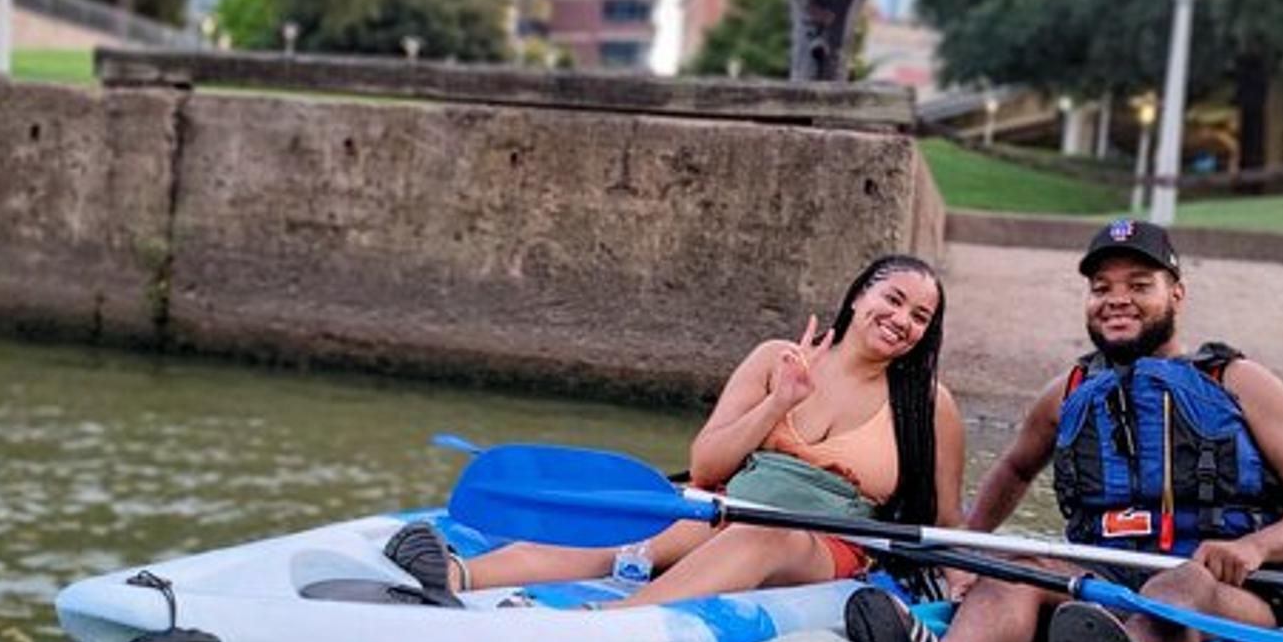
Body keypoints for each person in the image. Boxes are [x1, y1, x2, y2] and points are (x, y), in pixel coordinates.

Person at [845, 219, 1283, 642]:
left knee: (1182, 585)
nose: (1116, 298)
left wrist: (1253, 548)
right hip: (1105, 580)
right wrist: (963, 552)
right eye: (1101, 286)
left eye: (1139, 285)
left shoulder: (1239, 381)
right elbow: (1016, 469)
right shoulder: (1066, 391)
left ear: (1176, 293)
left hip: (1227, 591)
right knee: (1022, 569)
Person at [384, 254, 966, 607]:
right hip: (729, 506)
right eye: (893, 299)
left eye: (920, 317)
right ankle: (459, 573)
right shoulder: (777, 359)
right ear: (860, 294)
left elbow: (944, 521)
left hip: (821, 545)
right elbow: (709, 464)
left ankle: (619, 619)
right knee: (626, 532)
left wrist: (959, 584)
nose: (902, 321)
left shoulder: (929, 406)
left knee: (758, 537)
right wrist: (777, 405)